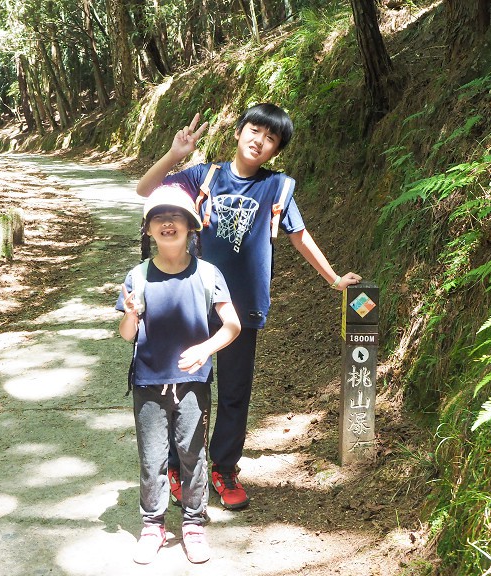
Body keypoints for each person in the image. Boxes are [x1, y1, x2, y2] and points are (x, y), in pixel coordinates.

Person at [136, 103, 362, 511]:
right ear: (239, 132)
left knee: (235, 393)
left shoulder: (276, 188)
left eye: (271, 138)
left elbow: (299, 236)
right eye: (255, 130)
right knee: (185, 389)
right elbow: (146, 190)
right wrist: (174, 155)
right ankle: (177, 467)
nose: (260, 140)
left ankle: (223, 469)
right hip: (194, 301)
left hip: (242, 309)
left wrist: (333, 279)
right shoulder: (203, 176)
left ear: (276, 150)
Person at [116, 185, 241, 565]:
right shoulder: (137, 277)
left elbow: (231, 325)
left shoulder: (207, 273)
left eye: (176, 218)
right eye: (158, 218)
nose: (167, 223)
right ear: (148, 230)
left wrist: (205, 349)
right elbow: (127, 334)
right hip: (148, 381)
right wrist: (132, 313)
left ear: (191, 227)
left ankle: (193, 524)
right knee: (151, 457)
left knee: (192, 453)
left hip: (193, 382)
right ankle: (152, 525)